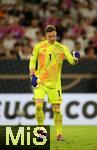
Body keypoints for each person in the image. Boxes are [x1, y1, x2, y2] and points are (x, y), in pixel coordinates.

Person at [29, 25, 79, 141]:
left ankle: (59, 133)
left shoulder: (62, 48)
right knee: (38, 106)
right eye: (50, 36)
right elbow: (32, 61)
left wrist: (76, 59)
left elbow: (72, 61)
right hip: (40, 82)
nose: (52, 38)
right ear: (45, 36)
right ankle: (40, 133)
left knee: (56, 109)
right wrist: (32, 75)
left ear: (56, 35)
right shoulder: (39, 47)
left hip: (54, 84)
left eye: (54, 36)